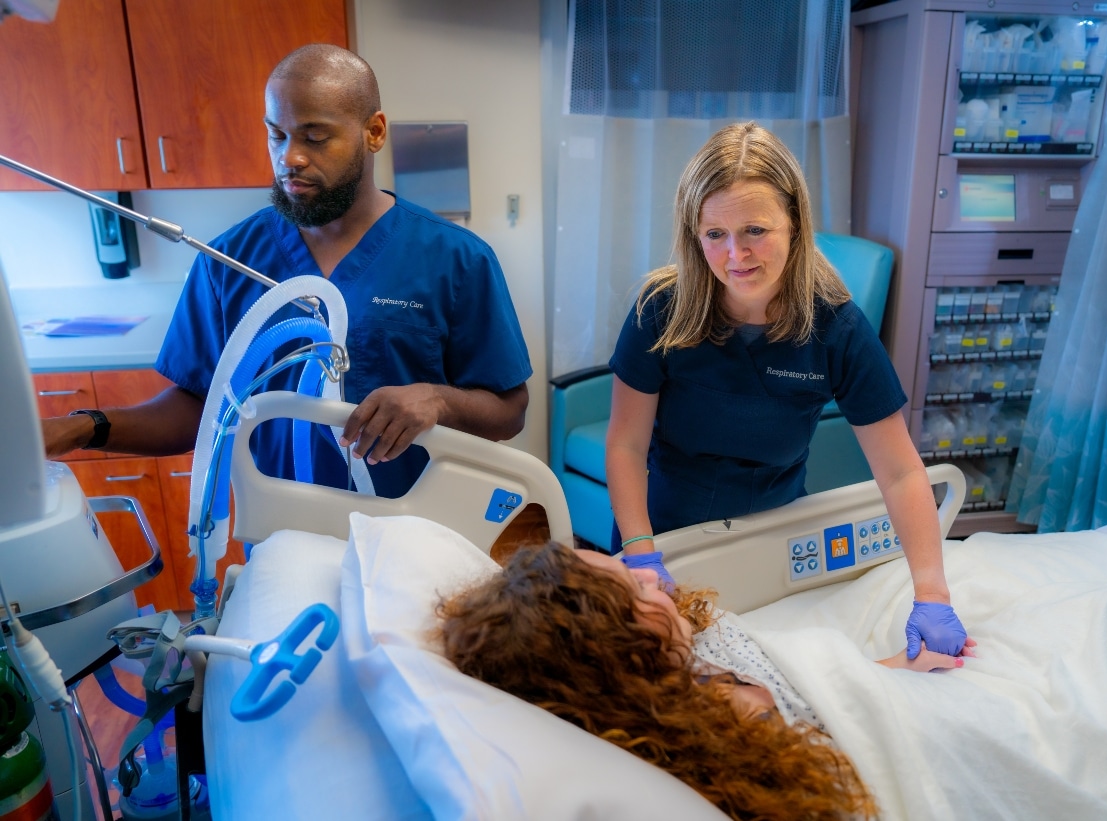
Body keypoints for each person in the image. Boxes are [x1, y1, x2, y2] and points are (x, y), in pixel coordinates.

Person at [41, 44, 532, 500]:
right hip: (284, 531)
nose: (289, 158)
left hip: (415, 530)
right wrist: (84, 427)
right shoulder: (228, 261)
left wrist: (437, 401)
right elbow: (197, 411)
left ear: (374, 132)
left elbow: (509, 411)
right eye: (276, 134)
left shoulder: (456, 260)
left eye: (315, 138)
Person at [605, 121, 968, 658]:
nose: (736, 254)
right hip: (662, 536)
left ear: (795, 223)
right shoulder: (661, 310)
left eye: (756, 230)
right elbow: (626, 446)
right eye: (715, 235)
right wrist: (639, 551)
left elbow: (900, 471)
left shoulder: (835, 329)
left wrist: (933, 593)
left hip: (775, 539)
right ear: (693, 234)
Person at [440, 542, 966, 820]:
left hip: (885, 677)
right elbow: (836, 718)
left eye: (624, 564)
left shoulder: (686, 658)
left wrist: (896, 665)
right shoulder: (735, 721)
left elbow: (818, 684)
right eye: (634, 590)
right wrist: (888, 681)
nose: (650, 575)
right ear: (625, 656)